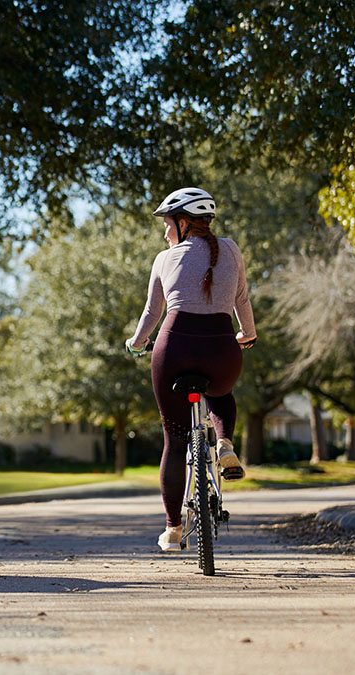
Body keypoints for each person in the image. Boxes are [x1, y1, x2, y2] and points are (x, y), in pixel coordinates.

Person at [124, 187, 256, 553]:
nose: (166, 233)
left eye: (167, 224)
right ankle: (225, 443)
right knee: (222, 392)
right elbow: (241, 297)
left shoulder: (164, 259)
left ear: (183, 223)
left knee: (175, 438)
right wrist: (248, 333)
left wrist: (135, 344)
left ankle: (173, 529)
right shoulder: (230, 249)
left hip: (175, 350)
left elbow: (152, 314)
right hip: (222, 351)